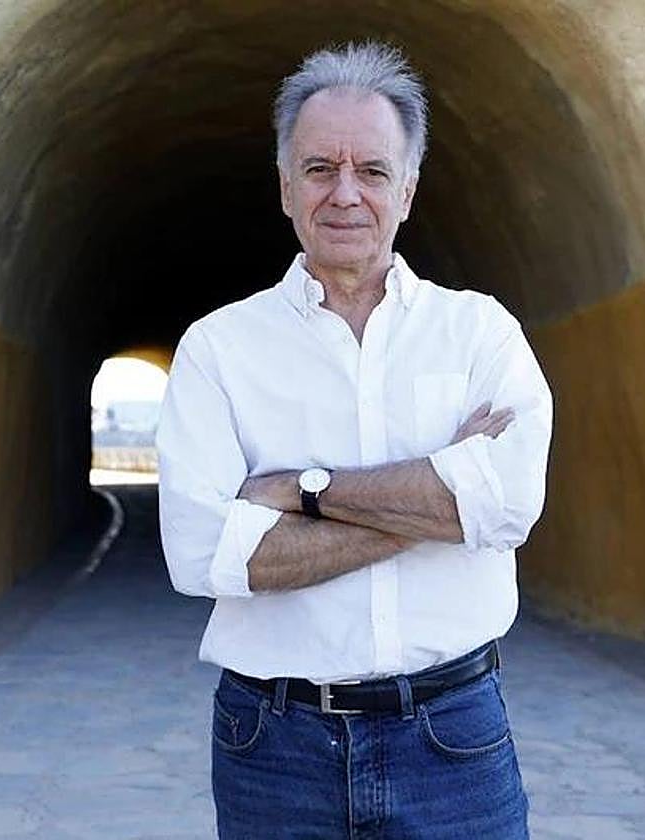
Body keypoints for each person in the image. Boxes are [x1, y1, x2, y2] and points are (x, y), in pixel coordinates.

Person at [156, 41, 553, 839]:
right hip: (273, 744)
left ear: (407, 190)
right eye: (318, 169)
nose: (345, 194)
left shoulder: (480, 332)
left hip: (453, 739)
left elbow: (506, 505)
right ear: (283, 186)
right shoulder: (216, 348)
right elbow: (206, 556)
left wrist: (304, 492)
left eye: (371, 171)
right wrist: (437, 504)